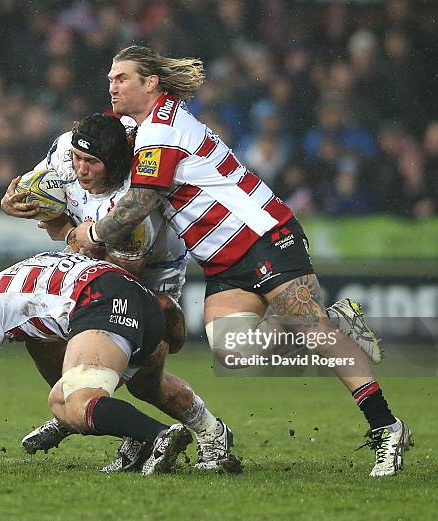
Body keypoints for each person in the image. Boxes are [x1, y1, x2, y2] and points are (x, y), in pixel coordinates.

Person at [71, 46, 412, 477]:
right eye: (110, 78)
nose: (112, 85)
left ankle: (386, 426)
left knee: (313, 331)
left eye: (122, 78)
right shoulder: (148, 125)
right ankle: (340, 328)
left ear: (151, 83)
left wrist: (95, 232)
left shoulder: (161, 130)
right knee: (234, 350)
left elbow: (141, 200)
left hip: (263, 235)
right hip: (222, 260)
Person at [0, 113, 240, 473]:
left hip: (148, 278)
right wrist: (13, 201)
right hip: (87, 262)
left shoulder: (132, 203)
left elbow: (122, 276)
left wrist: (68, 233)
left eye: (91, 163)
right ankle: (92, 409)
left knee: (145, 382)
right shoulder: (67, 149)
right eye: (78, 160)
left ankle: (210, 432)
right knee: (44, 339)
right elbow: (35, 190)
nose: (80, 169)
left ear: (113, 164)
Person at [0, 251, 192, 475]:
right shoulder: (34, 270)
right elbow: (167, 305)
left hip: (103, 299)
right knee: (60, 401)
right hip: (147, 302)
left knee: (77, 402)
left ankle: (160, 436)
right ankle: (140, 439)